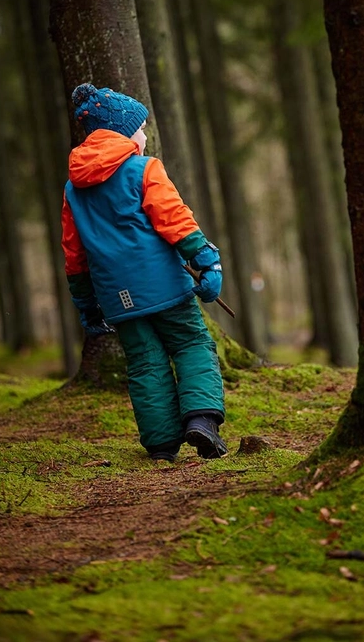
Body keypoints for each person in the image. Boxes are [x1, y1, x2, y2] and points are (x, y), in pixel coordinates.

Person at [61, 83, 228, 463]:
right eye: (140, 128)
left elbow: (74, 251)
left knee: (144, 361)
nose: (145, 134)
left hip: (116, 296)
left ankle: (161, 444)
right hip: (165, 285)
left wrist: (86, 301)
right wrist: (206, 260)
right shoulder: (144, 168)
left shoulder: (74, 189)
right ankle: (201, 420)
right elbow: (174, 219)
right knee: (191, 344)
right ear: (122, 132)